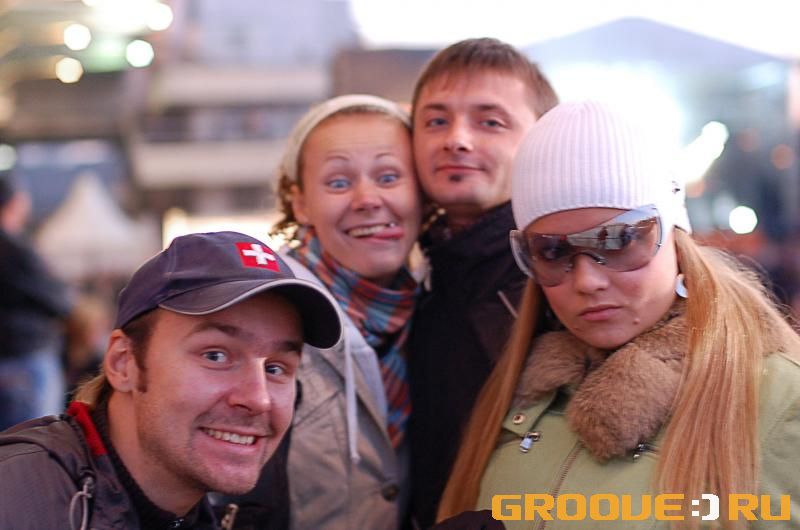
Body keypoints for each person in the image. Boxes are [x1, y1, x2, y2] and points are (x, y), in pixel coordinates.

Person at [437, 101, 800, 529]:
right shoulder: (523, 389)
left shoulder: (776, 399)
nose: (587, 280)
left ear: (673, 233)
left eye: (619, 239)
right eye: (552, 251)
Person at [0, 231, 343, 530]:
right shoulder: (19, 500)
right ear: (123, 363)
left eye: (276, 368)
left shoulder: (203, 510)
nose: (259, 398)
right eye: (216, 356)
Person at [235, 94, 421, 530]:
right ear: (300, 203)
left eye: (389, 176)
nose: (367, 199)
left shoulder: (433, 313)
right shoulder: (258, 315)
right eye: (338, 183)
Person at [406, 37, 559, 527]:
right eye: (436, 121)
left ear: (544, 140)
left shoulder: (560, 287)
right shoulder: (416, 285)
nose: (457, 140)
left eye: (490, 122)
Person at [0, 170, 73, 430]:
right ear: (16, 202)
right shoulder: (14, 249)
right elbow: (59, 300)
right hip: (22, 360)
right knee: (33, 440)